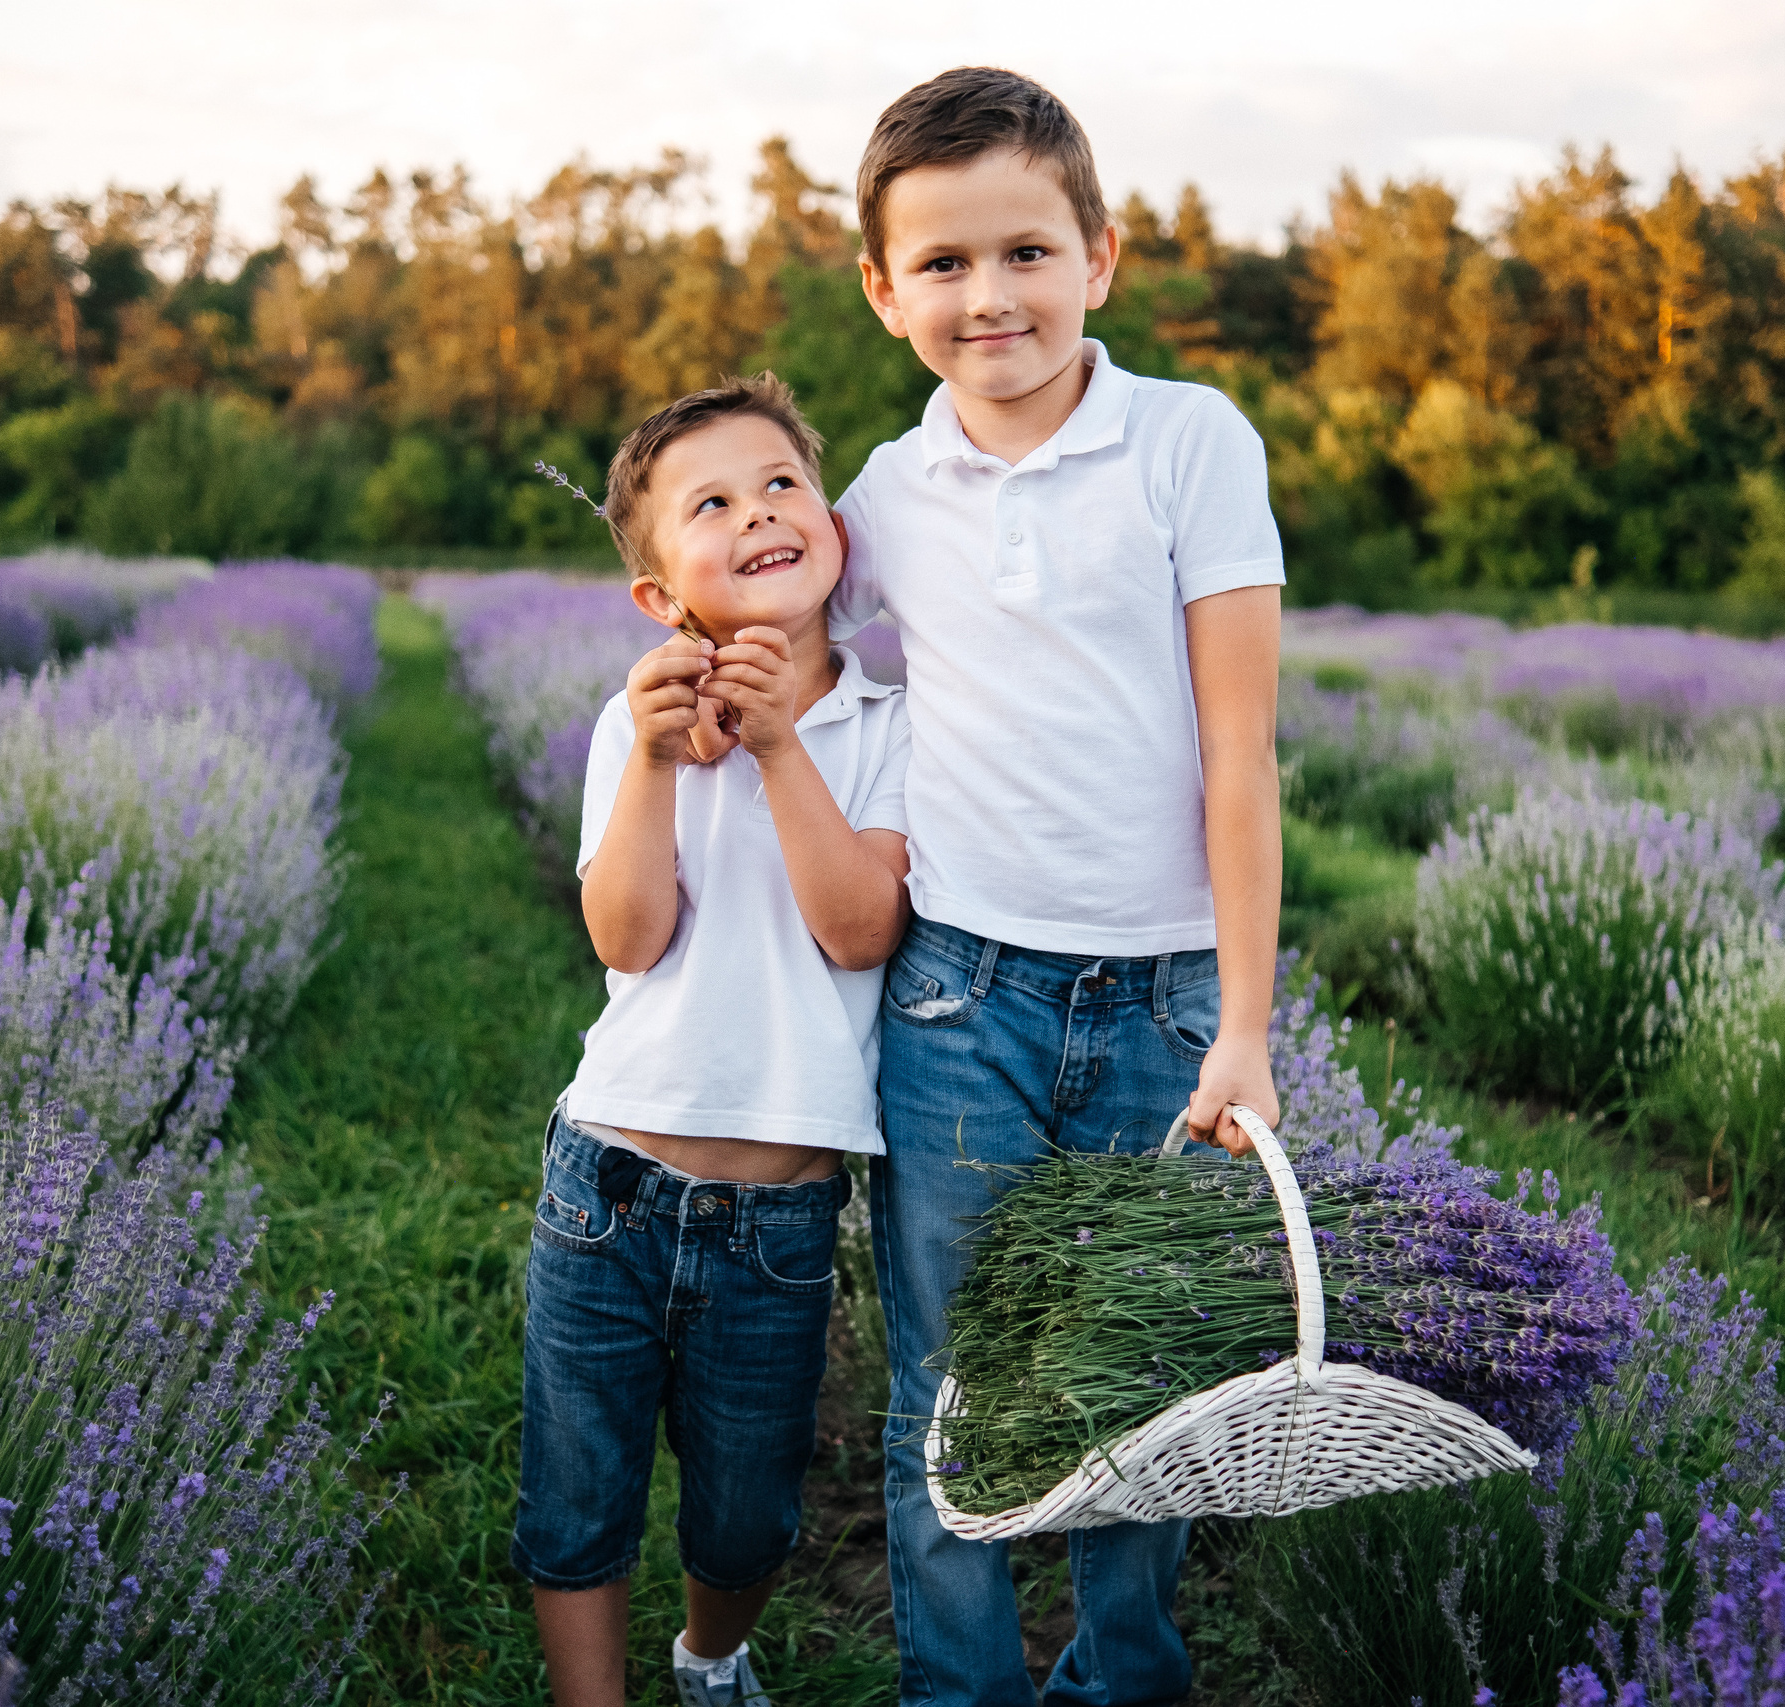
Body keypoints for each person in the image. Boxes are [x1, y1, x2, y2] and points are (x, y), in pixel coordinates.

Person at [835, 66, 1286, 1707]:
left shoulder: (1187, 441)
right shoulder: (882, 495)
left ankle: (1124, 1682)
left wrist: (1241, 1024)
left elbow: (1239, 757)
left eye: (1025, 251)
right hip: (959, 995)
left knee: (1140, 1385)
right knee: (951, 1397)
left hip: (1164, 1004)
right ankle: (962, 1693)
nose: (989, 296)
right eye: (943, 265)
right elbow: (771, 615)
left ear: (1101, 254)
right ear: (885, 293)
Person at [513, 374, 913, 1707]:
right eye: (715, 504)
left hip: (779, 1219)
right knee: (579, 1492)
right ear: (661, 595)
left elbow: (860, 929)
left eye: (783, 485)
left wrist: (781, 747)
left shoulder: (892, 727)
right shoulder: (636, 733)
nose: (760, 515)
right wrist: (655, 761)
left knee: (748, 1518)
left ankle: (709, 1654)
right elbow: (627, 936)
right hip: (611, 1181)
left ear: (834, 527)